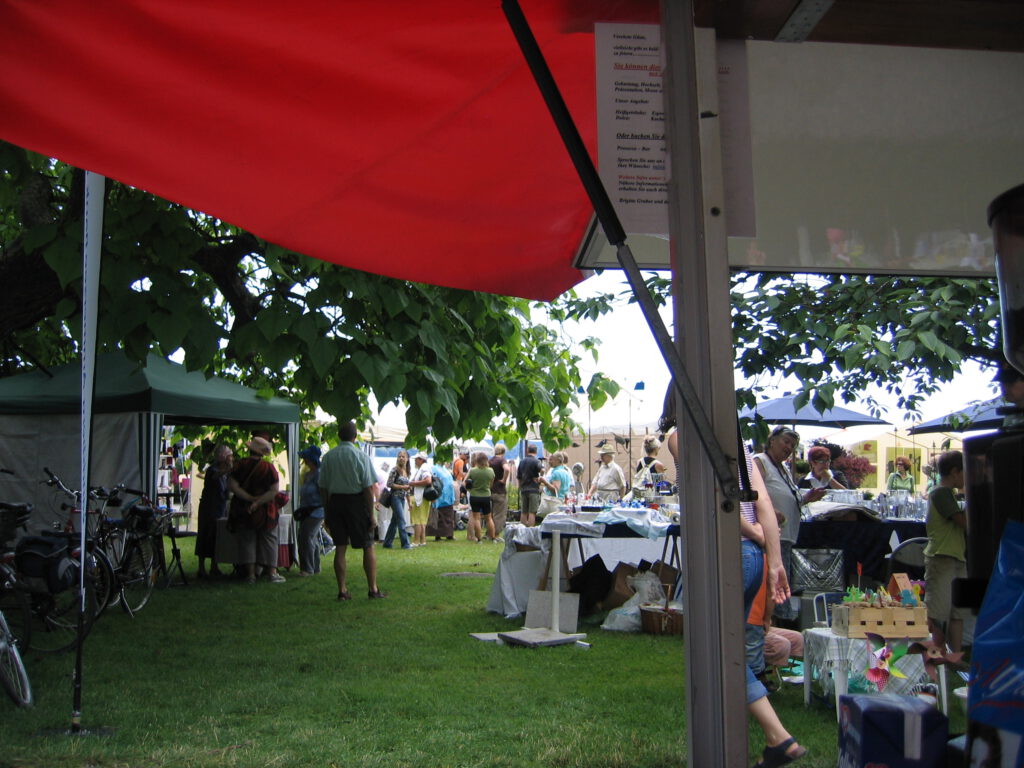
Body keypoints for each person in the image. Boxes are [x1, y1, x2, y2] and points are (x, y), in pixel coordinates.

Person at [664, 404, 807, 767]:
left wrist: (752, 534)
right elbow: (763, 502)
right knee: (730, 648)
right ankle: (749, 738)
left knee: (720, 649)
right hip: (753, 558)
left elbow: (717, 496)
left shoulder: (680, 437)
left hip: (725, 553)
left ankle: (777, 736)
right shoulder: (738, 443)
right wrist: (773, 558)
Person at [753, 427, 826, 623]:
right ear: (772, 440)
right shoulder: (760, 461)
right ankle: (772, 623)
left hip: (785, 536)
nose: (789, 448)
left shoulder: (783, 468)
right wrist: (769, 511)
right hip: (770, 535)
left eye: (792, 446)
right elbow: (751, 492)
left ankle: (778, 622)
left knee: (781, 584)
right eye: (786, 442)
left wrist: (806, 498)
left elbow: (788, 498)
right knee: (774, 585)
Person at [318, 421, 385, 600]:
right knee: (368, 546)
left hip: (335, 502)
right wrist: (372, 516)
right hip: (356, 503)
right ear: (355, 436)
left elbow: (323, 488)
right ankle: (373, 589)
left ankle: (342, 590)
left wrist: (326, 512)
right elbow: (368, 488)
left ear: (338, 435)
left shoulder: (328, 457)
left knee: (340, 547)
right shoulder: (361, 456)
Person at [923, 449, 966, 652]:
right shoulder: (940, 492)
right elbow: (963, 522)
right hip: (941, 557)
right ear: (955, 471)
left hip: (956, 557)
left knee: (958, 612)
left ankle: (955, 656)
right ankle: (936, 655)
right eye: (965, 472)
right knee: (938, 613)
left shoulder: (950, 494)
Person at [227, 436, 285, 584]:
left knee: (247, 540)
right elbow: (274, 490)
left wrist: (249, 499)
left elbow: (233, 486)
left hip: (244, 508)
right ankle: (272, 573)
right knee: (269, 540)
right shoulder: (269, 468)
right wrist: (258, 502)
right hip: (266, 510)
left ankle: (251, 575)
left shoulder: (240, 465)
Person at [195, 443, 232, 579]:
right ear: (223, 456)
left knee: (216, 536)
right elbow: (215, 477)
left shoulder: (224, 473)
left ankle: (214, 566)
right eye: (229, 455)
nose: (231, 458)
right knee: (205, 535)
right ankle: (201, 568)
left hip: (219, 507)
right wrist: (228, 470)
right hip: (209, 507)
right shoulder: (213, 469)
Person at [296, 445, 326, 575]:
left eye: (306, 457)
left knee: (305, 536)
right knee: (311, 537)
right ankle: (315, 567)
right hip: (307, 510)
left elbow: (323, 493)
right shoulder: (308, 474)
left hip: (317, 511)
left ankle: (307, 568)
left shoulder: (319, 474)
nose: (304, 460)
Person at [382, 450, 412, 550]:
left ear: (407, 459)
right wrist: (402, 487)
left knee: (394, 522)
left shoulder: (407, 472)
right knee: (401, 520)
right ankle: (406, 544)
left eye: (403, 456)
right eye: (399, 456)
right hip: (395, 497)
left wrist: (409, 502)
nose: (401, 458)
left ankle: (387, 543)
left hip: (402, 498)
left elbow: (408, 489)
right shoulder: (394, 470)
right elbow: (389, 484)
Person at [467, 451, 497, 543]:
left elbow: (466, 482)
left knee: (476, 518)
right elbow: (491, 484)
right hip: (486, 496)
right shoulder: (490, 471)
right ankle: (493, 538)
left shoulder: (473, 471)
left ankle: (479, 539)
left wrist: (470, 490)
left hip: (474, 496)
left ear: (477, 460)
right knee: (489, 518)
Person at [407, 453, 433, 547]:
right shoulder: (424, 467)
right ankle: (422, 540)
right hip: (423, 497)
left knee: (417, 520)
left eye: (416, 459)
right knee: (422, 520)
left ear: (421, 459)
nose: (415, 461)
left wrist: (413, 483)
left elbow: (428, 480)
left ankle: (416, 541)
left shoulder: (424, 468)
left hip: (419, 496)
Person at [516, 442, 543, 526]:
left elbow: (519, 477)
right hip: (533, 489)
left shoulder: (522, 462)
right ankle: (530, 530)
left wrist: (520, 487)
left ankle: (522, 530)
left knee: (524, 512)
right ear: (536, 451)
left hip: (524, 489)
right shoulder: (537, 461)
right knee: (532, 512)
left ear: (527, 451)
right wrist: (539, 478)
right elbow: (542, 470)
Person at [488, 444, 512, 536]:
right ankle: (495, 534)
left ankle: (489, 532)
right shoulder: (502, 460)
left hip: (490, 490)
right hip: (500, 491)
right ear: (503, 452)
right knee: (499, 515)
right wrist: (504, 480)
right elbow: (507, 469)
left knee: (490, 514)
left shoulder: (490, 461)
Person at [431, 462, 456, 540]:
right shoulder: (435, 469)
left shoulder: (445, 469)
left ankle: (449, 534)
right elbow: (434, 481)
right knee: (439, 517)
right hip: (441, 497)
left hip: (448, 497)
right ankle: (438, 535)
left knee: (449, 517)